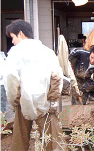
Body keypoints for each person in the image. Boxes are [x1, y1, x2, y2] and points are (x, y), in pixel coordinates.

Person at [4, 20, 65, 150]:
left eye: (13, 37)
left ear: (20, 34)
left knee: (20, 142)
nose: (13, 41)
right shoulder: (47, 51)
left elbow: (10, 79)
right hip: (45, 102)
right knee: (52, 142)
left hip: (23, 101)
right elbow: (57, 77)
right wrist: (53, 99)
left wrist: (14, 100)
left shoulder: (15, 53)